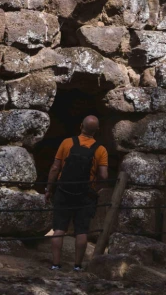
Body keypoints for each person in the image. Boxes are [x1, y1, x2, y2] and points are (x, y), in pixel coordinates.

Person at [45, 115, 109, 271]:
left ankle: (55, 264)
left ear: (81, 126)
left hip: (64, 191)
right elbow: (104, 175)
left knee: (59, 228)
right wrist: (96, 187)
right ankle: (77, 266)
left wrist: (49, 188)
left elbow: (55, 167)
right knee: (82, 230)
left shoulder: (67, 143)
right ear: (98, 130)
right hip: (85, 194)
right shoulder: (100, 149)